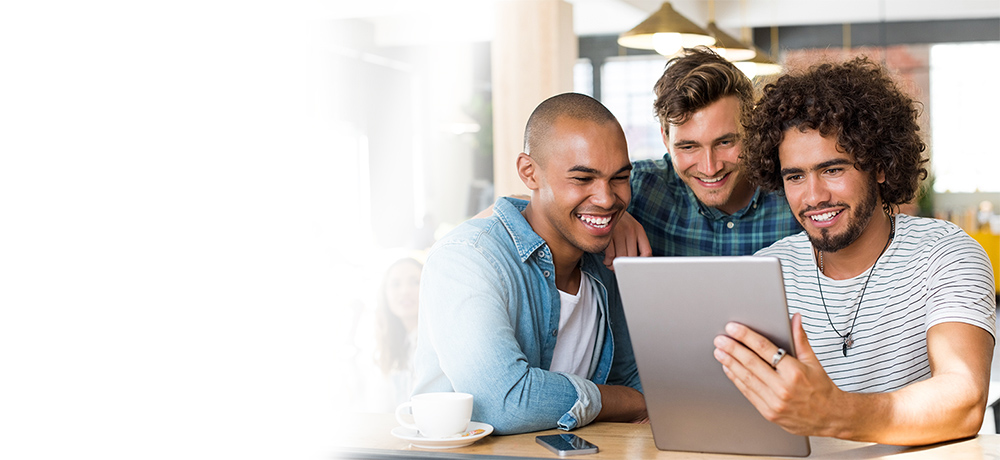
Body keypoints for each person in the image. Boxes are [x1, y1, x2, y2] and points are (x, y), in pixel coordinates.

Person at [714, 56, 996, 445]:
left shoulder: (945, 255)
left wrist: (833, 413)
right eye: (795, 176)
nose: (814, 196)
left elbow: (964, 399)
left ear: (879, 166)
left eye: (833, 170)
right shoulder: (767, 270)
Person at [412, 92, 646, 435]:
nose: (606, 198)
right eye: (583, 179)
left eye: (619, 178)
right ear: (529, 172)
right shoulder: (466, 258)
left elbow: (636, 381)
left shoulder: (605, 260)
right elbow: (503, 403)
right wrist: (624, 402)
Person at [606, 47, 801, 261]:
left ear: (751, 130)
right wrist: (610, 216)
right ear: (665, 140)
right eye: (689, 147)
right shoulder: (637, 189)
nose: (710, 168)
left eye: (725, 142)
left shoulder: (795, 189)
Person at [373, 257, 423, 408]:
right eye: (395, 284)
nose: (405, 291)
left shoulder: (438, 345)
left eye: (415, 282)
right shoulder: (387, 345)